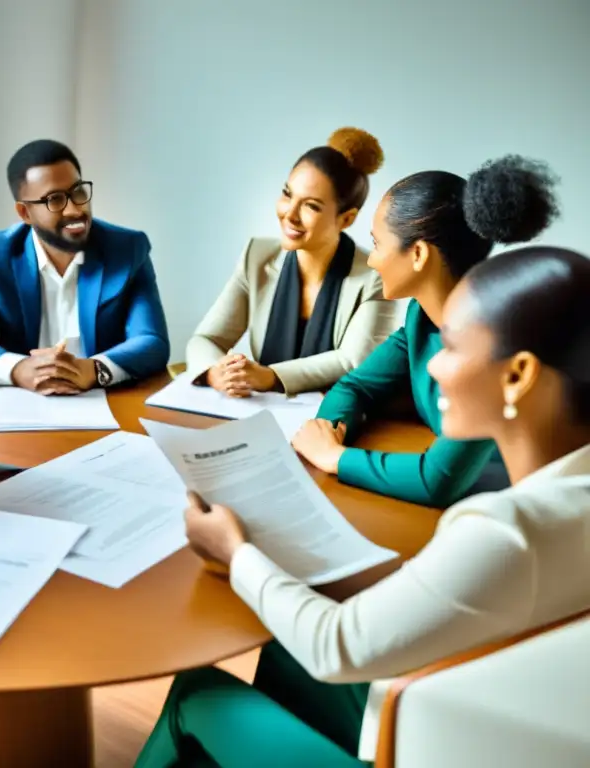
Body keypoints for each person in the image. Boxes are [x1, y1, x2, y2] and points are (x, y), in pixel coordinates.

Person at [135, 245, 590, 768]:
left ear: (517, 376)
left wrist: (237, 554)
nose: (434, 365)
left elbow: (333, 645)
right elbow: (459, 587)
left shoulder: (505, 530)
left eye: (454, 346)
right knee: (284, 649)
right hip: (496, 724)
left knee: (197, 692)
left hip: (430, 740)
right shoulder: (564, 501)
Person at [292, 156, 558, 507]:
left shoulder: (496, 341)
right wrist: (327, 430)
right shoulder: (421, 317)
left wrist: (332, 457)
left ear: (417, 254)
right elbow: (356, 386)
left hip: (532, 513)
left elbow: (437, 481)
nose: (372, 261)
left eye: (377, 245)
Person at [186, 128, 398, 396]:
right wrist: (216, 371)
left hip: (333, 420)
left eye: (311, 206)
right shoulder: (257, 255)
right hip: (262, 416)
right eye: (287, 194)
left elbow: (352, 362)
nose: (290, 214)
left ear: (346, 219)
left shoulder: (374, 274)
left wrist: (270, 376)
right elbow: (206, 339)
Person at [0, 139, 169, 393]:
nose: (75, 209)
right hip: (25, 405)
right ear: (24, 213)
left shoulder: (127, 248)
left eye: (78, 192)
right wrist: (19, 369)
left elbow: (152, 340)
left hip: (106, 400)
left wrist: (94, 369)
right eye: (55, 200)